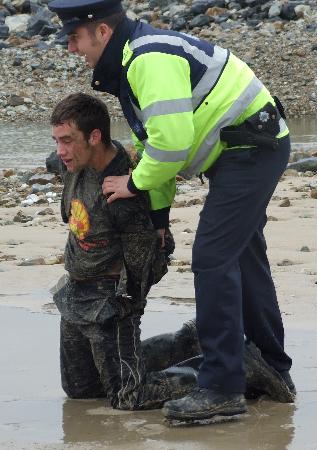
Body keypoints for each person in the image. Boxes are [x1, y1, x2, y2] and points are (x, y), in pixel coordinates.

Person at [48, 0, 295, 421]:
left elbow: (173, 146)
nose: (72, 48)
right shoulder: (129, 62)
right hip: (239, 148)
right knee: (243, 258)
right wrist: (159, 220)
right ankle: (271, 365)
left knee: (213, 259)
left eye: (75, 37)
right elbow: (151, 145)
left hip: (249, 146)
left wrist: (133, 184)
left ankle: (222, 387)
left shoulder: (148, 59)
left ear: (102, 32)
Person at [50, 92, 200, 410]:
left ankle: (227, 369)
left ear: (95, 136)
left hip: (110, 298)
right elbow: (58, 161)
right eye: (56, 141)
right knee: (80, 390)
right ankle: (185, 343)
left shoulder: (122, 191)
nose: (60, 151)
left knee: (128, 397)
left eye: (67, 140)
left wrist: (126, 306)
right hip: (76, 293)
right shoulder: (72, 161)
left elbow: (146, 255)